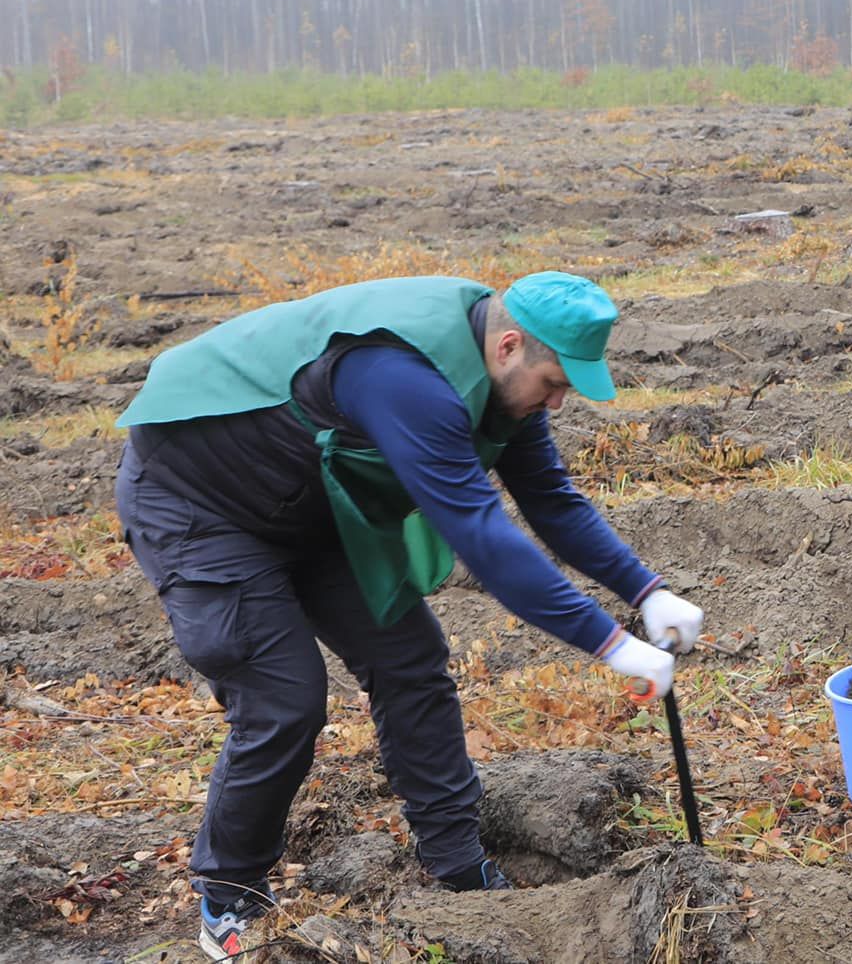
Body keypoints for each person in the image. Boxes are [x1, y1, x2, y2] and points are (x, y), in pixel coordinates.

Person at [114, 271, 703, 960]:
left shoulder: (504, 385)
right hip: (198, 505)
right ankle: (229, 893)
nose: (558, 402)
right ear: (509, 345)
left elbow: (551, 501)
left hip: (310, 506)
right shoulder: (404, 377)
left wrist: (646, 591)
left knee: (409, 659)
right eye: (554, 384)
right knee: (284, 699)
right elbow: (482, 535)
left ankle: (457, 865)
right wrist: (610, 645)